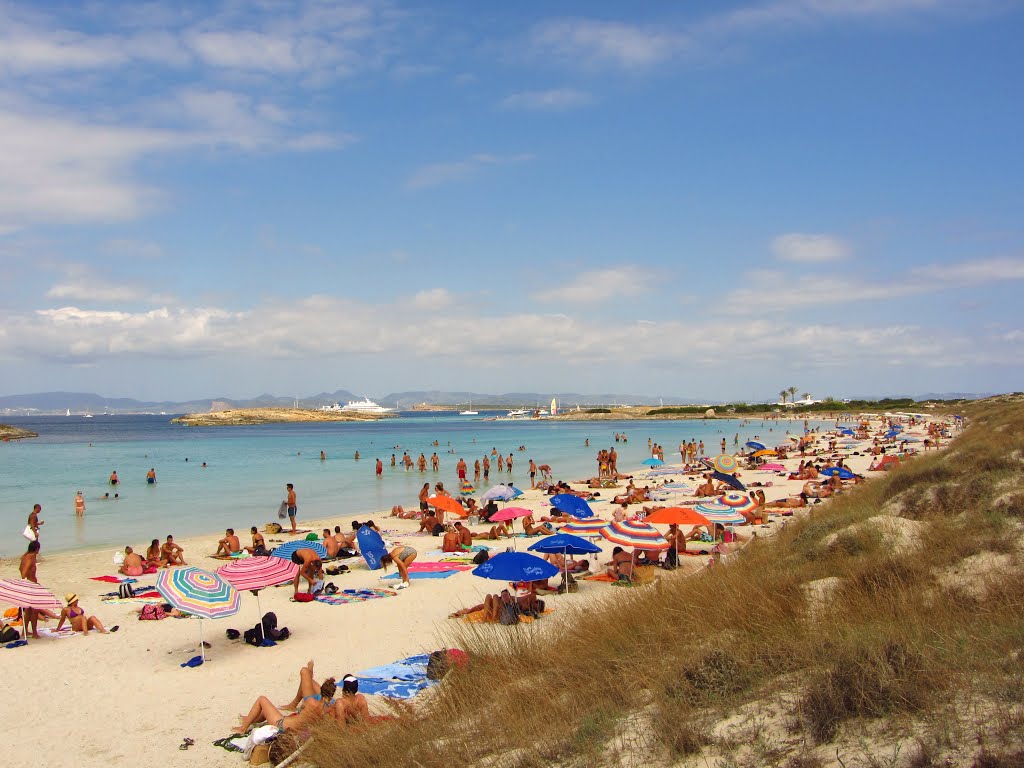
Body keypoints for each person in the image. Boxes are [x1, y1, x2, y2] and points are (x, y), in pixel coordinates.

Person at [233, 667, 333, 735]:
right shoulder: (328, 709)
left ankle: (243, 728)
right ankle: (248, 720)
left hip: (282, 726)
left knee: (262, 699)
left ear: (321, 690)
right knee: (265, 712)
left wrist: (309, 668)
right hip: (294, 729)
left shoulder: (311, 702)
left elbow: (305, 676)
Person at [20, 541, 57, 638]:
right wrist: (31, 582)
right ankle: (35, 633)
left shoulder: (24, 556)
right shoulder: (31, 557)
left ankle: (24, 632)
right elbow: (24, 573)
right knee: (35, 610)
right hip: (31, 586)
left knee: (28, 610)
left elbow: (20, 568)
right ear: (37, 549)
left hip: (28, 585)